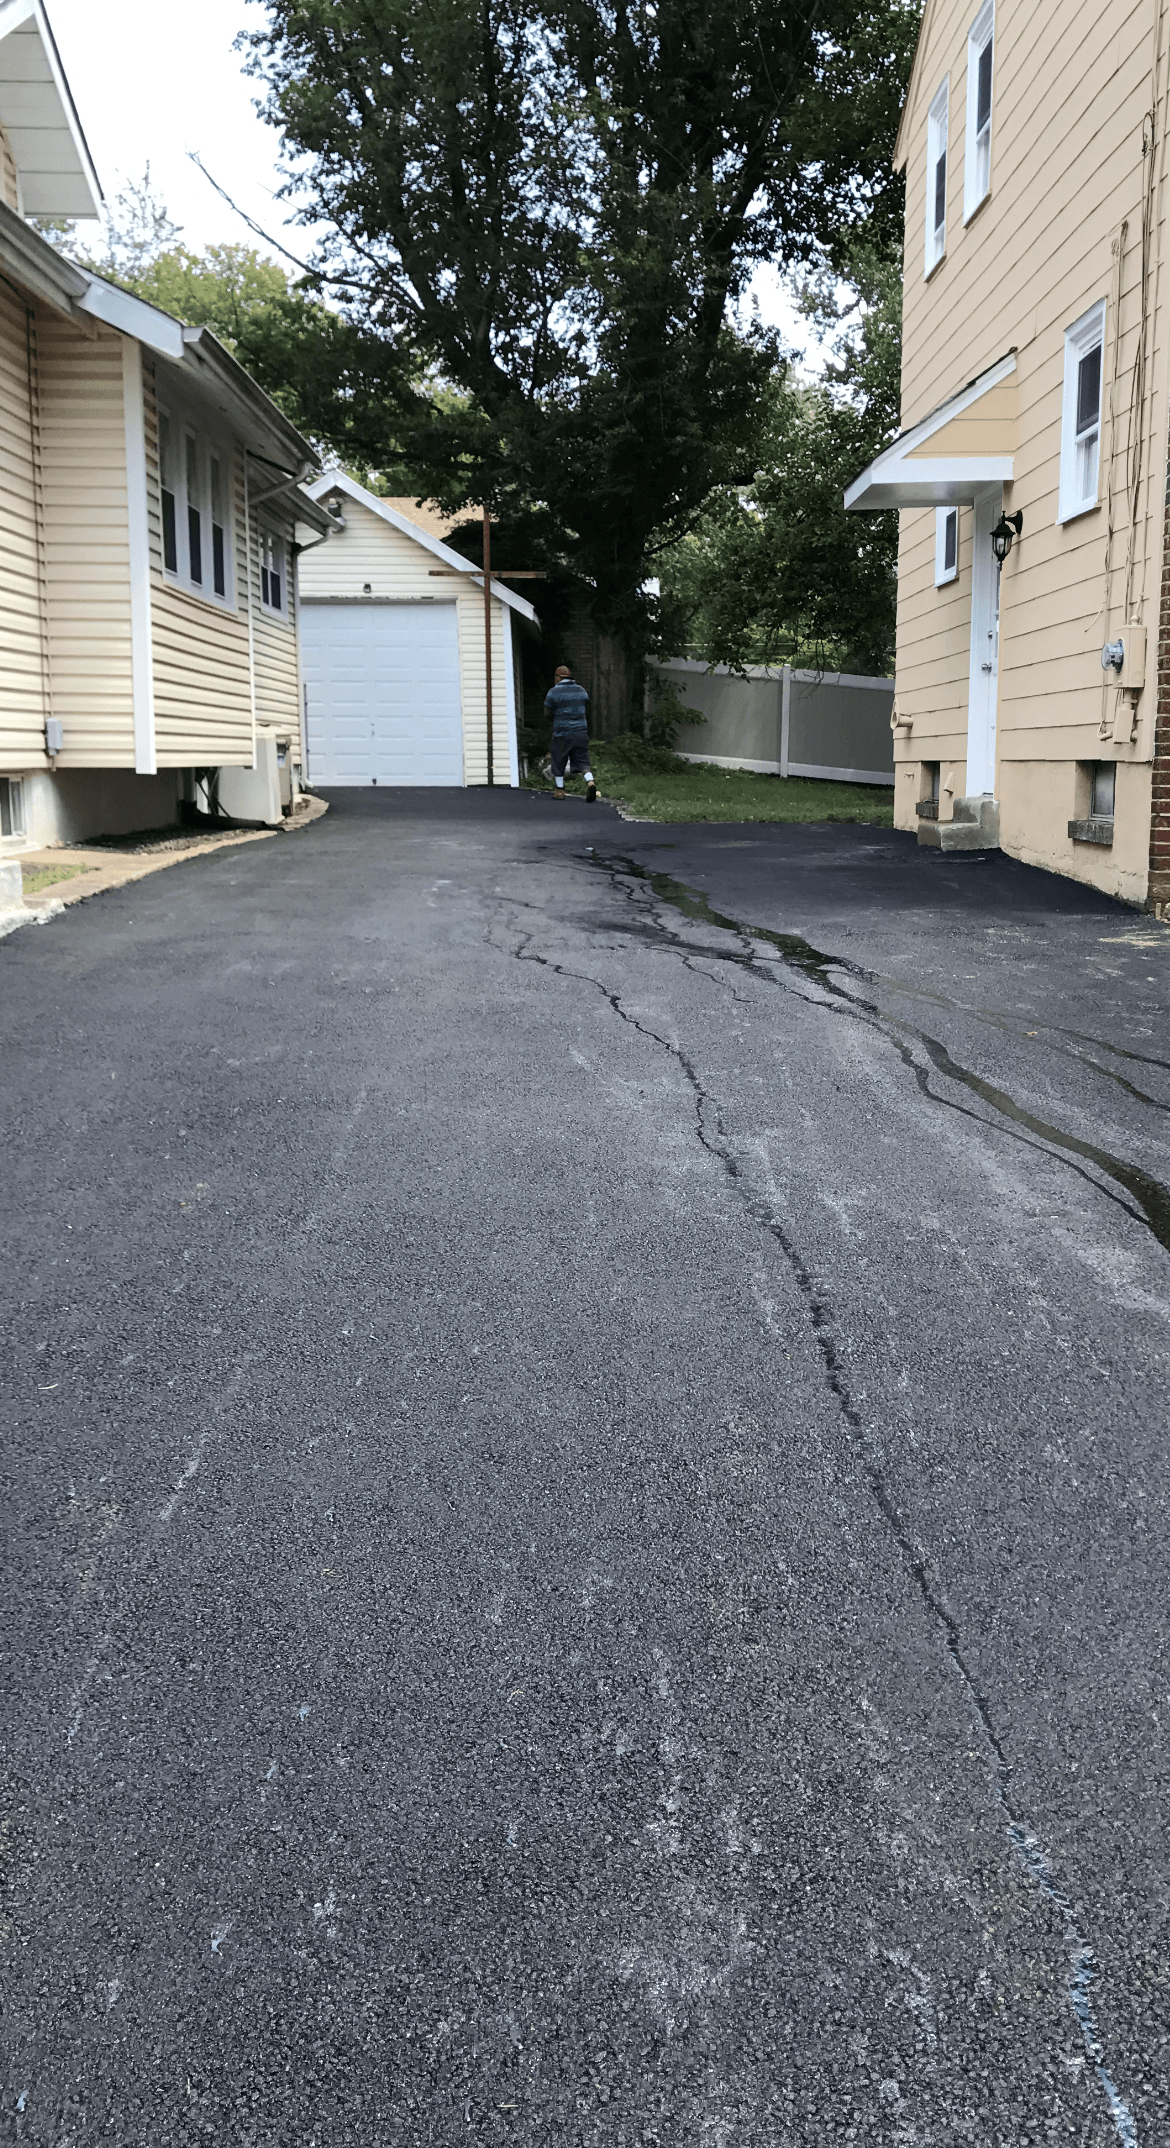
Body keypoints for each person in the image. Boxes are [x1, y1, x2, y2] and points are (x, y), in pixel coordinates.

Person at [544, 664, 597, 803]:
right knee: (583, 761)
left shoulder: (553, 692)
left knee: (558, 760)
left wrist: (556, 721)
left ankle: (560, 790)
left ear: (558, 677)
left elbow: (547, 713)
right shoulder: (581, 690)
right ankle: (590, 782)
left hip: (562, 733)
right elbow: (588, 710)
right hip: (580, 732)